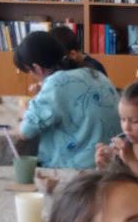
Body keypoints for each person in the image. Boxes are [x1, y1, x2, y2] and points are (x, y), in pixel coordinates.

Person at [15, 31, 120, 168]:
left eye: (29, 71)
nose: (32, 76)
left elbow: (25, 132)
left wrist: (24, 112)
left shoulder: (56, 83)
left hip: (80, 168)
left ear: (37, 68)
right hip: (111, 162)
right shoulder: (94, 73)